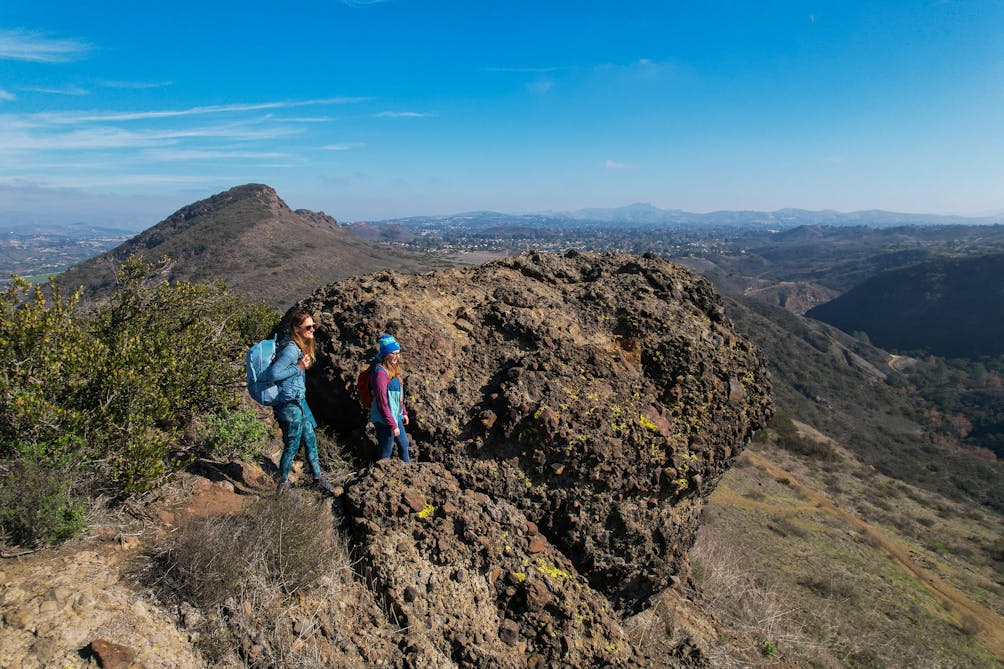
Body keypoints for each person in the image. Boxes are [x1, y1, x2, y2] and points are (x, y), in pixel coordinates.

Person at [262, 309, 333, 493]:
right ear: (297, 328)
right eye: (308, 327)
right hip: (288, 403)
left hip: (298, 401)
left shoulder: (296, 344)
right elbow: (274, 374)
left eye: (313, 326)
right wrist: (299, 367)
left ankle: (317, 477)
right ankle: (283, 484)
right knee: (292, 444)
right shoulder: (292, 350)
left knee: (310, 439)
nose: (312, 330)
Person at [369, 334, 411, 462]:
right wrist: (392, 425)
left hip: (396, 415)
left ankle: (408, 471)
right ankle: (381, 476)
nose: (397, 357)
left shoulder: (394, 369)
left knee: (404, 444)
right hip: (384, 420)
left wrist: (403, 412)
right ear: (386, 354)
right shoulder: (380, 372)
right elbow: (382, 402)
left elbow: (398, 395)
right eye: (394, 353)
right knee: (386, 450)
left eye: (398, 353)